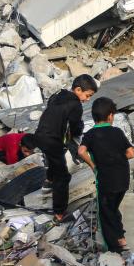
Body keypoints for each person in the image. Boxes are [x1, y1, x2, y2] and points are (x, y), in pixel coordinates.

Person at [35, 74, 97, 221]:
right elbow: (75, 128)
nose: (87, 100)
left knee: (54, 161)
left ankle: (49, 180)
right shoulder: (75, 105)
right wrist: (79, 132)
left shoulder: (58, 94)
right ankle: (59, 212)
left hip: (40, 135)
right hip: (52, 140)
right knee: (63, 176)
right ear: (78, 89)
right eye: (87, 96)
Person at [77, 97, 134, 253]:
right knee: (112, 207)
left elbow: (81, 151)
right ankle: (121, 238)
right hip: (123, 179)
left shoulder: (90, 134)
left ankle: (117, 247)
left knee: (106, 212)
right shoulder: (117, 131)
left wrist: (93, 165)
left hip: (106, 180)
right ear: (110, 115)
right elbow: (131, 153)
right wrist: (117, 157)